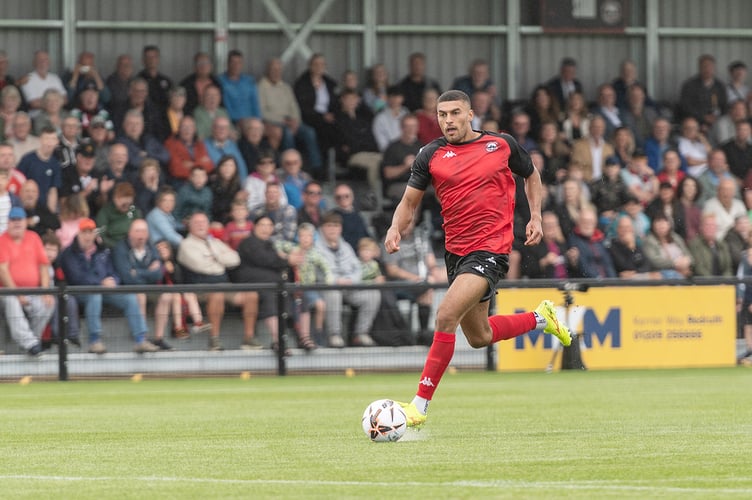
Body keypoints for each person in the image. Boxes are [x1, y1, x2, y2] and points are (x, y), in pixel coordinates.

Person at [383, 90, 571, 427]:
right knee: (479, 336)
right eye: (442, 115)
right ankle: (541, 318)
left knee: (445, 315)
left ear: (471, 115)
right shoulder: (431, 154)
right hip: (456, 252)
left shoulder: (501, 145)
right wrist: (396, 228)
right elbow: (409, 202)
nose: (448, 120)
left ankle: (418, 407)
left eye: (455, 113)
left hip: (491, 249)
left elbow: (531, 175)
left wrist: (536, 217)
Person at [59, 217, 158, 354]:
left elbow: (113, 271)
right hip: (80, 291)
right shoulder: (69, 253)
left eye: (90, 232)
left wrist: (113, 280)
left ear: (95, 234)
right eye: (84, 232)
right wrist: (100, 283)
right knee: (95, 297)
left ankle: (141, 339)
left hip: (104, 289)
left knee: (130, 298)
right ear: (79, 234)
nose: (88, 236)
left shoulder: (103, 250)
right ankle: (95, 340)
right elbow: (77, 277)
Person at [177, 212, 257, 351]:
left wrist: (214, 256)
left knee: (251, 295)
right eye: (197, 222)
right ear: (190, 226)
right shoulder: (186, 244)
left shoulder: (215, 242)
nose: (201, 225)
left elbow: (235, 259)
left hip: (224, 284)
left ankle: (249, 338)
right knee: (217, 294)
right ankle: (214, 340)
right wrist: (221, 261)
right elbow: (201, 266)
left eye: (203, 222)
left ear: (208, 225)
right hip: (199, 288)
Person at [231, 214, 304, 353]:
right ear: (255, 227)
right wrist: (287, 259)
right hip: (253, 285)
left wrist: (286, 260)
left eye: (269, 226)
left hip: (275, 287)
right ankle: (279, 342)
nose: (265, 229)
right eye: (262, 225)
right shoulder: (248, 242)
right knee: (271, 294)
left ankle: (299, 338)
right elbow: (264, 259)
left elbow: (276, 262)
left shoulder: (270, 245)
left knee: (294, 296)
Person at [316, 211, 379, 348]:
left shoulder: (346, 247)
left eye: (336, 226)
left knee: (372, 294)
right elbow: (319, 274)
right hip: (327, 288)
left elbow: (357, 269)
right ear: (322, 228)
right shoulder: (316, 247)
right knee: (333, 294)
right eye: (329, 226)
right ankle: (335, 335)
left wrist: (350, 280)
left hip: (349, 287)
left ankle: (361, 334)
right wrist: (337, 281)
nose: (333, 229)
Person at [112, 219, 174, 350]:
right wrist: (147, 272)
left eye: (144, 231)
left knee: (167, 295)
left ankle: (159, 338)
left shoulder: (151, 246)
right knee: (140, 295)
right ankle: (142, 337)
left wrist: (137, 272)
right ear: (130, 233)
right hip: (129, 289)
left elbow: (158, 274)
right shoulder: (120, 248)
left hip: (150, 287)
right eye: (137, 231)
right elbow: (127, 277)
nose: (141, 235)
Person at [0, 206, 55, 356]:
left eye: (19, 220)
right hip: (7, 291)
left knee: (49, 302)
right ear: (8, 222)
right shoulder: (2, 240)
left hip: (32, 291)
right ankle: (30, 343)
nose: (17, 223)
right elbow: (3, 270)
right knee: (12, 301)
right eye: (13, 220)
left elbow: (44, 265)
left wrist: (45, 290)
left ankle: (31, 342)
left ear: (25, 222)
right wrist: (17, 293)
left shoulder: (33, 237)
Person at [257, 57, 321, 174]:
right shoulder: (261, 87)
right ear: (267, 70)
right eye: (273, 69)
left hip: (291, 121)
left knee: (309, 132)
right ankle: (290, 167)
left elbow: (294, 106)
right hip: (274, 123)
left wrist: (296, 121)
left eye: (279, 70)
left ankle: (316, 168)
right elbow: (262, 112)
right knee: (287, 134)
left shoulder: (286, 87)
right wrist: (283, 121)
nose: (276, 72)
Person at [17, 126, 61, 214]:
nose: (49, 143)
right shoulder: (27, 159)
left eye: (53, 139)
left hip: (44, 209)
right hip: (26, 208)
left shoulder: (55, 163)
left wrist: (50, 214)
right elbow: (19, 184)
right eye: (46, 138)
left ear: (57, 142)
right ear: (40, 140)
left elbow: (53, 190)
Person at [381, 114, 422, 207]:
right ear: (402, 128)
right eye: (408, 126)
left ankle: (453, 220)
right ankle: (412, 222)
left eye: (414, 126)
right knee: (415, 190)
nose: (411, 129)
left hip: (420, 182)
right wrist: (405, 166)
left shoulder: (421, 146)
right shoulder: (393, 147)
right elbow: (388, 174)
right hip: (397, 185)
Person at [678, 54, 727, 130]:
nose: (707, 69)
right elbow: (685, 106)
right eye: (704, 66)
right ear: (699, 67)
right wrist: (703, 117)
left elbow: (725, 105)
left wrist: (715, 117)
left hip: (716, 123)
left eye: (710, 66)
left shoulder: (720, 86)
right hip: (695, 122)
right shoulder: (689, 85)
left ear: (714, 68)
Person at [642, 213, 693, 279]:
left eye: (664, 221)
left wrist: (687, 261)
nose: (661, 225)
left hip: (683, 272)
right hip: (662, 275)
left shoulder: (676, 237)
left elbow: (689, 256)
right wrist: (675, 263)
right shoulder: (649, 241)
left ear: (669, 224)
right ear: (653, 225)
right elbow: (654, 261)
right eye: (658, 222)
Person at [218, 49, 261, 124]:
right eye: (233, 62)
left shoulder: (249, 80)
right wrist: (236, 119)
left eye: (239, 63)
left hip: (251, 120)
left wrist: (258, 120)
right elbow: (224, 106)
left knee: (277, 131)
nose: (236, 66)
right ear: (227, 64)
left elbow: (255, 103)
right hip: (231, 120)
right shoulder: (220, 81)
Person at [20, 50, 67, 117]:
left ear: (49, 62)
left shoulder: (55, 78)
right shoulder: (27, 79)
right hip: (37, 116)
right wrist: (56, 102)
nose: (43, 62)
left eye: (46, 59)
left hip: (58, 115)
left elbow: (65, 99)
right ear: (34, 62)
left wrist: (43, 101)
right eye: (39, 59)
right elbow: (34, 103)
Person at [96, 181, 142, 248]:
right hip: (112, 247)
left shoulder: (133, 210)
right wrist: (118, 247)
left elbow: (140, 230)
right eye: (123, 205)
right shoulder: (105, 212)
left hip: (132, 245)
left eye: (129, 204)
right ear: (115, 198)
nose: (126, 207)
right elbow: (100, 236)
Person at [203, 116, 249, 180]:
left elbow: (242, 168)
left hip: (233, 185)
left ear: (229, 130)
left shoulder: (233, 145)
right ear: (213, 128)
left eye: (225, 127)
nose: (222, 130)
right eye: (219, 127)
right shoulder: (203, 145)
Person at [179, 52, 222, 116]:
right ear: (194, 67)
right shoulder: (186, 84)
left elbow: (221, 104)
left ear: (211, 66)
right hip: (192, 117)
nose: (203, 66)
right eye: (200, 63)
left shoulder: (217, 83)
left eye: (206, 63)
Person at [332, 182, 371, 251]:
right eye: (339, 197)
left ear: (352, 197)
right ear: (335, 200)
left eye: (346, 196)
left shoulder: (358, 215)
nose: (342, 199)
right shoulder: (332, 216)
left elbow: (366, 236)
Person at [137, 45, 173, 115]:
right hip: (145, 117)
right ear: (143, 60)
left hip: (163, 118)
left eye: (154, 57)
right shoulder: (138, 80)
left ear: (158, 59)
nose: (151, 60)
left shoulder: (166, 81)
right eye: (148, 57)